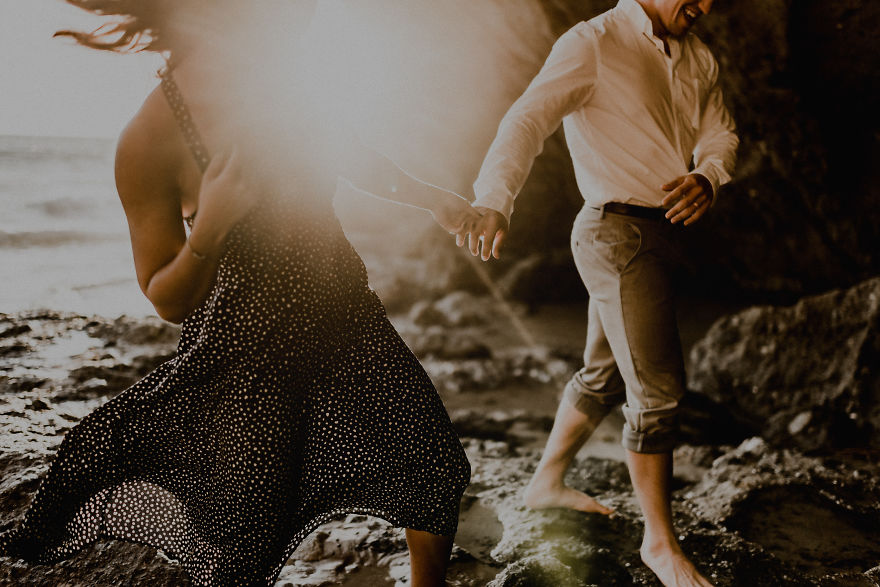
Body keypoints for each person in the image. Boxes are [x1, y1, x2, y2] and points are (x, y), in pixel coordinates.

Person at [0, 1, 476, 585]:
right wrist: (209, 228)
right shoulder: (149, 138)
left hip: (347, 319)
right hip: (249, 355)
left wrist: (437, 200)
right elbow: (164, 297)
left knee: (432, 466)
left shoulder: (279, 84)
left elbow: (352, 156)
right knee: (244, 539)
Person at [463, 1, 737, 586]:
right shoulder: (592, 41)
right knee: (658, 390)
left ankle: (545, 482)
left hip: (666, 234)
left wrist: (707, 175)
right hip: (616, 232)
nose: (705, 4)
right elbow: (527, 119)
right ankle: (660, 546)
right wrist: (494, 199)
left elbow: (721, 134)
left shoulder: (700, 58)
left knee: (606, 372)